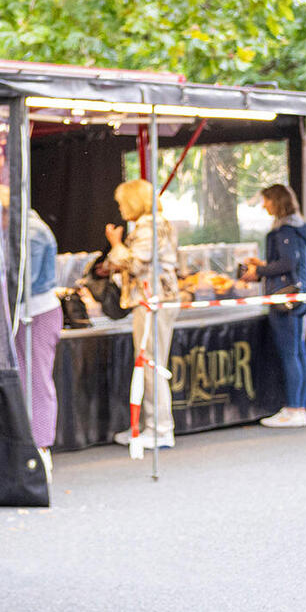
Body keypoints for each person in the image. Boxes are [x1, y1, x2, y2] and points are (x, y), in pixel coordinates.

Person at [104, 178, 178, 447]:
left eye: (123, 203)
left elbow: (134, 264)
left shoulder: (150, 227)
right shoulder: (154, 225)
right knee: (149, 363)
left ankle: (159, 429)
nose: (121, 209)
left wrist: (115, 243)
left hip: (152, 302)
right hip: (154, 300)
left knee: (150, 364)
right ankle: (151, 425)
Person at [241, 184, 306, 428]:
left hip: (286, 299)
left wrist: (259, 270)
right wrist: (264, 265)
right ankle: (298, 407)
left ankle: (295, 408)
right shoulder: (299, 228)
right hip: (302, 295)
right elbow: (289, 262)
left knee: (290, 353)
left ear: (276, 201)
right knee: (298, 351)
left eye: (266, 201)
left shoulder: (285, 230)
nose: (264, 205)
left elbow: (286, 263)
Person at [2, 185, 62, 451]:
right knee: (26, 380)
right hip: (27, 314)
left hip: (37, 313)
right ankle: (31, 443)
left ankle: (41, 447)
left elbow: (27, 280)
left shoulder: (32, 233)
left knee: (37, 381)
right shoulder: (22, 229)